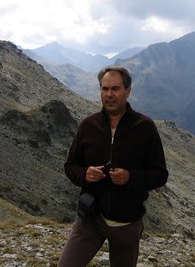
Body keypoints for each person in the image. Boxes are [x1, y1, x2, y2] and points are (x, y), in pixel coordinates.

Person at [58, 65, 168, 267]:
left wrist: (130, 178)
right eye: (104, 88)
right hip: (90, 220)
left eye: (115, 89)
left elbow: (160, 175)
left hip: (128, 224)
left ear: (128, 91)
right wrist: (85, 174)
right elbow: (70, 165)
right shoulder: (88, 125)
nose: (109, 95)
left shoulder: (145, 127)